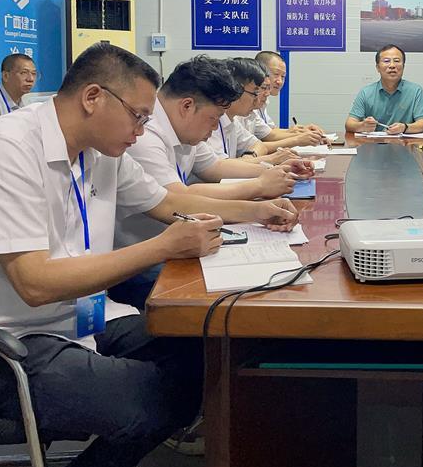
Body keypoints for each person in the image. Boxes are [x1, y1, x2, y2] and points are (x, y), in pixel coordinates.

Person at [0, 43, 244, 467]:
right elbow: (35, 284)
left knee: (202, 352)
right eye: (138, 116)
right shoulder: (4, 149)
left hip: (79, 318)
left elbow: (169, 202)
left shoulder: (100, 151)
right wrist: (163, 246)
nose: (142, 130)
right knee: (151, 400)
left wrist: (261, 210)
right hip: (3, 347)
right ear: (93, 97)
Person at [113, 55, 301, 310]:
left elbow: (214, 166)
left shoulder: (183, 128)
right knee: (238, 304)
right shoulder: (145, 136)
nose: (214, 129)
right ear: (187, 106)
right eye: (213, 119)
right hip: (138, 265)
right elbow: (177, 202)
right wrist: (258, 193)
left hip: (173, 248)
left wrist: (265, 184)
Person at [208, 58, 300, 164]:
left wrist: (249, 158)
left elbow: (259, 145)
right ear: (235, 90)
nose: (258, 99)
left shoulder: (232, 120)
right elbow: (218, 168)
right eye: (255, 92)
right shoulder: (211, 121)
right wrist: (271, 159)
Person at [345, 44, 423, 134]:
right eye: (386, 61)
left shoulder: (415, 91)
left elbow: (422, 124)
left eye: (396, 61)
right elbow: (349, 124)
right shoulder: (366, 92)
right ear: (378, 67)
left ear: (403, 66)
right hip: (374, 142)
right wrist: (362, 126)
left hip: (404, 142)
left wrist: (404, 127)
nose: (392, 65)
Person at [240, 67, 326, 151]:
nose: (280, 81)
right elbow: (256, 147)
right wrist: (298, 139)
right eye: (262, 88)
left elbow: (269, 134)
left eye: (283, 76)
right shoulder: (238, 116)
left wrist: (304, 134)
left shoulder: (252, 111)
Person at [253, 50, 325, 136]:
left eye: (283, 76)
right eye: (276, 74)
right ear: (260, 72)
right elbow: (267, 136)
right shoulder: (249, 103)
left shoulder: (263, 101)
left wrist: (302, 130)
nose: (280, 81)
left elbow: (270, 130)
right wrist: (301, 136)